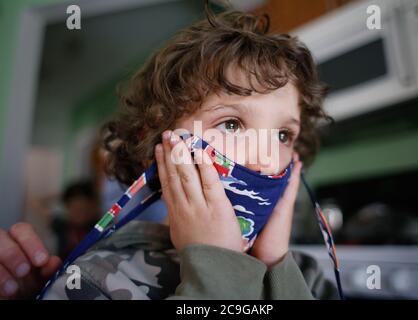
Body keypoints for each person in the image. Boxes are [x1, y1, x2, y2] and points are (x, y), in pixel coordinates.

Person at [0, 4, 338, 300]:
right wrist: (218, 267)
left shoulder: (305, 277)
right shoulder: (96, 280)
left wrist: (274, 263)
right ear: (159, 146)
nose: (265, 160)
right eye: (231, 124)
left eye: (282, 134)